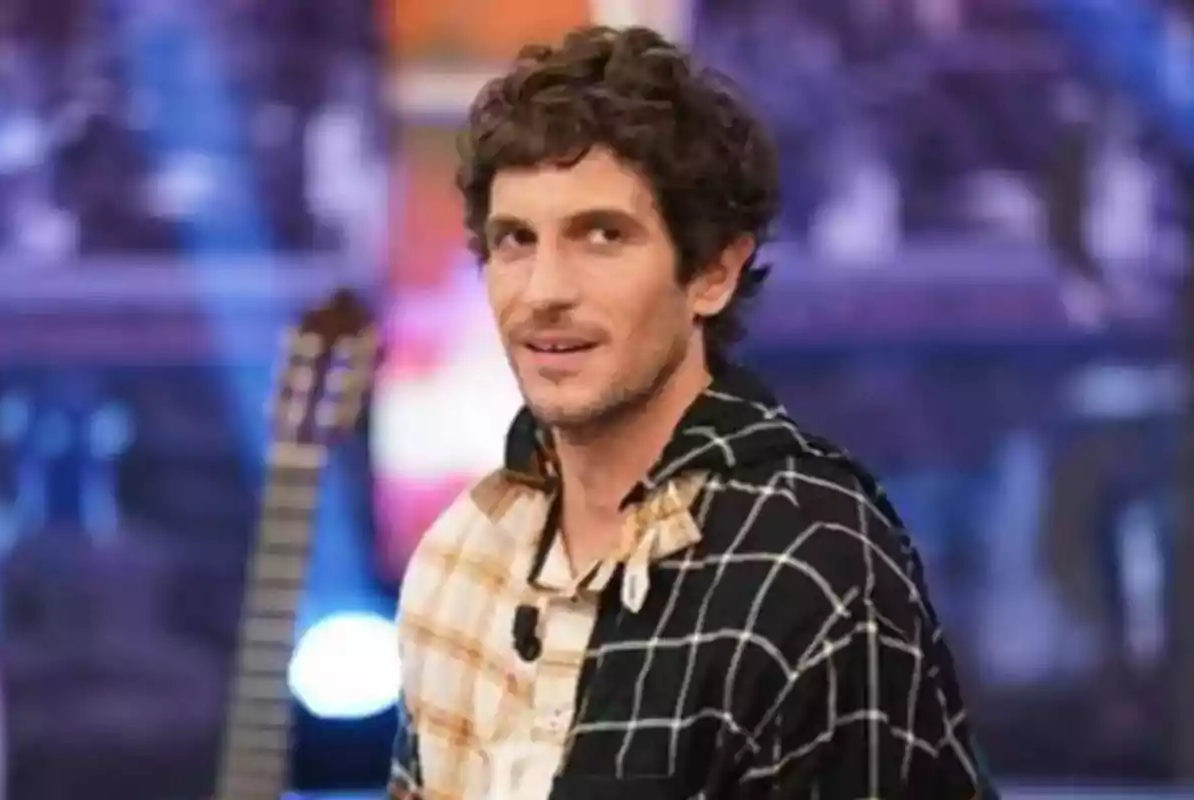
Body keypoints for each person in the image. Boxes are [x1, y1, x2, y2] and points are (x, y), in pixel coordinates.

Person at [390, 25, 995, 799]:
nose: (544, 291)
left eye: (601, 236)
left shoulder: (810, 559)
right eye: (515, 241)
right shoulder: (459, 559)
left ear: (712, 272)